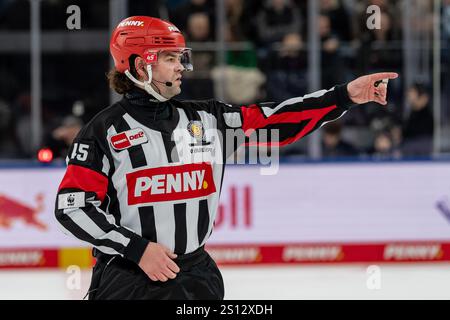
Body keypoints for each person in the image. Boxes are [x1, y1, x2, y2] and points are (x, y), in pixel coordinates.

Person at [54, 16, 398, 300]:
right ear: (141, 65)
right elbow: (72, 208)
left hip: (197, 276)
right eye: (170, 58)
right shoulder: (104, 132)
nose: (181, 67)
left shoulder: (207, 120)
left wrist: (344, 96)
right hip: (129, 279)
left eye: (180, 57)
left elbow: (274, 121)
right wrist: (136, 248)